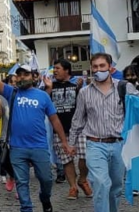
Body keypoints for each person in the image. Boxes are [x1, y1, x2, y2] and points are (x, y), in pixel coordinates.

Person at [0, 54, 71, 212]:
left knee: (46, 179)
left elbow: (54, 120)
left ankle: (45, 198)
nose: (21, 77)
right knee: (21, 182)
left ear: (33, 77)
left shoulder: (43, 96)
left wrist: (64, 143)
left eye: (25, 74)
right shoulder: (11, 93)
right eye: (18, 75)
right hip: (17, 147)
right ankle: (26, 208)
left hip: (39, 146)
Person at [69, 53, 139, 212]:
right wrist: (71, 143)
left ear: (110, 67)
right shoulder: (84, 92)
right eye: (95, 66)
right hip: (95, 145)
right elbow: (78, 119)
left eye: (102, 66)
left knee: (116, 187)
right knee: (102, 184)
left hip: (119, 145)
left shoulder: (124, 87)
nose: (98, 69)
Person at [44, 59, 92, 200]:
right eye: (54, 69)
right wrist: (48, 89)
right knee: (66, 160)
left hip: (80, 129)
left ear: (67, 70)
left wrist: (80, 89)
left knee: (85, 156)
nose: (55, 71)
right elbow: (43, 103)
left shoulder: (77, 84)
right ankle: (73, 187)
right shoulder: (50, 86)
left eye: (58, 68)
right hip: (60, 130)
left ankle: (82, 180)